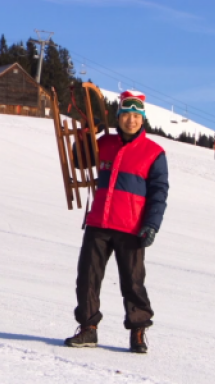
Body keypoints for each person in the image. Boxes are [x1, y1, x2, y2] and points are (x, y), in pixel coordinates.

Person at [64, 90, 169, 353]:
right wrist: (85, 136)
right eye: (126, 115)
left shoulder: (154, 153)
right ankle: (88, 329)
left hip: (132, 227)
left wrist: (152, 225)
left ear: (142, 119)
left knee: (133, 282)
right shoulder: (106, 143)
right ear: (119, 116)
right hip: (99, 222)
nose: (130, 120)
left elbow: (159, 193)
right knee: (87, 277)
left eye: (136, 116)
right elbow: (80, 161)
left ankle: (138, 332)